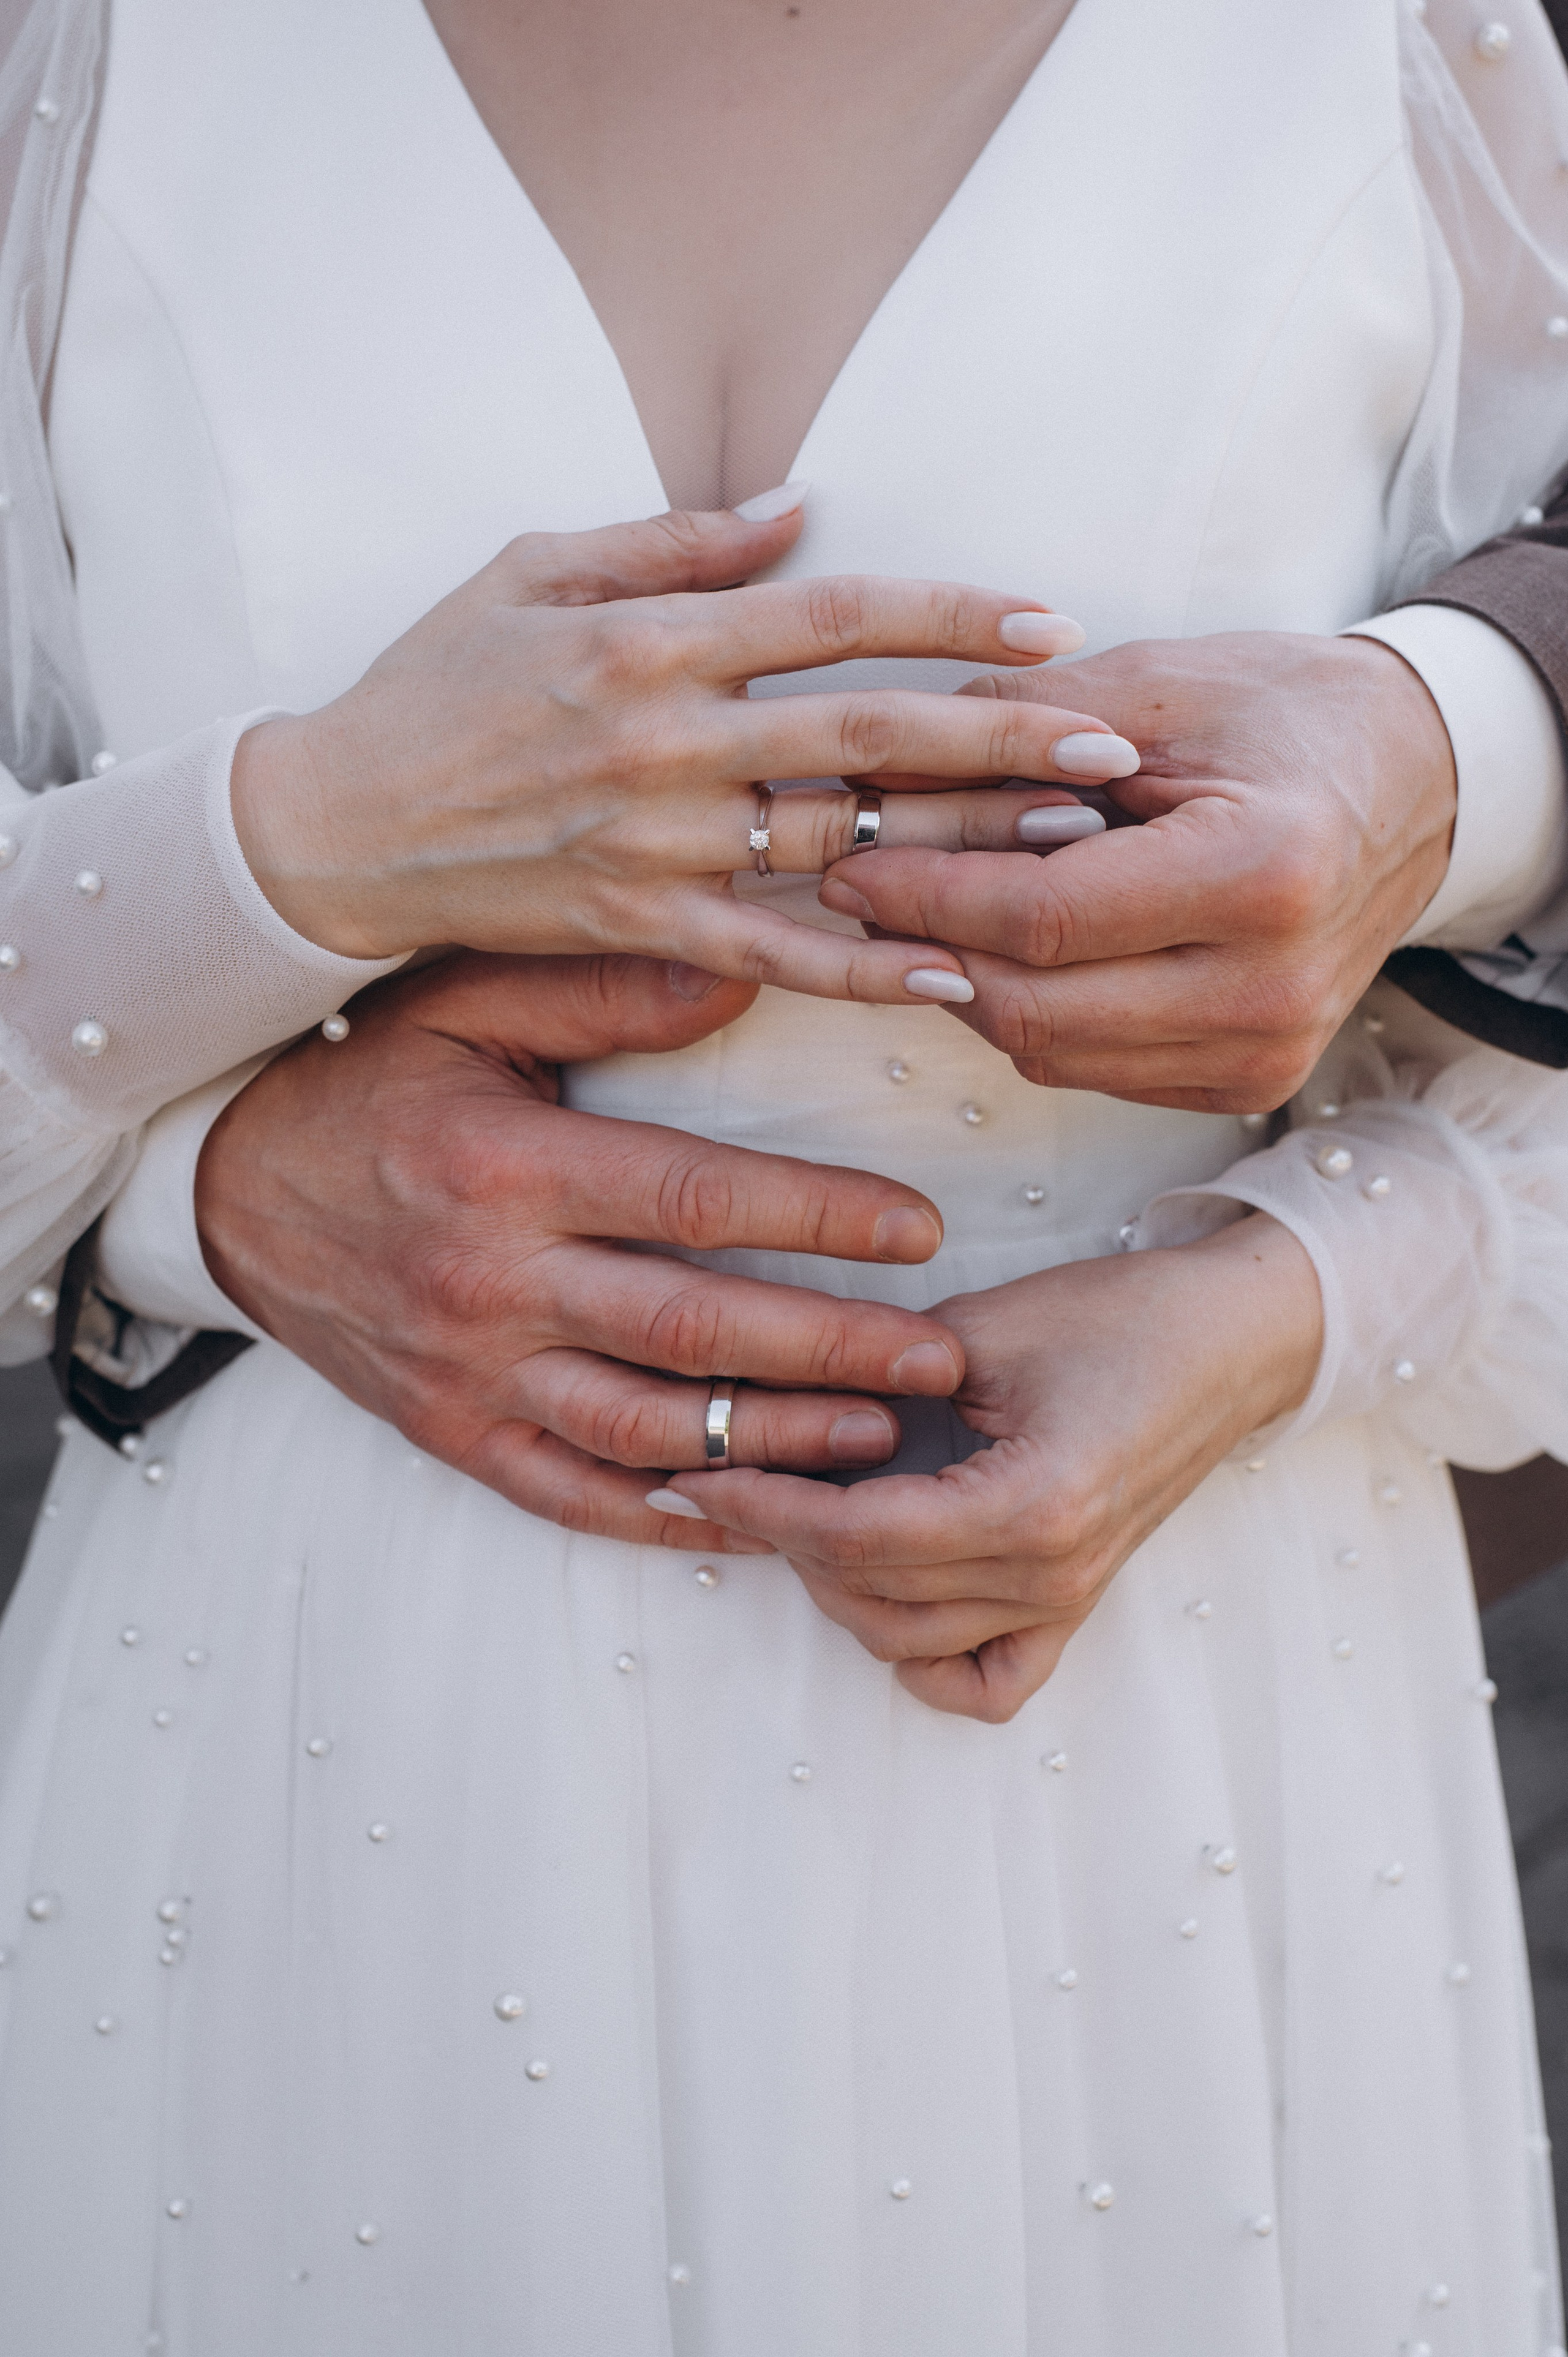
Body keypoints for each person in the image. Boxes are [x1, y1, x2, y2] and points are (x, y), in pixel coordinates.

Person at [2, 0, 1568, 2349]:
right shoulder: (82, 59)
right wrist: (274, 906)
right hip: (305, 1780)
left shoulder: (1412, 45)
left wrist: (1312, 1283)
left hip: (1179, 1764)